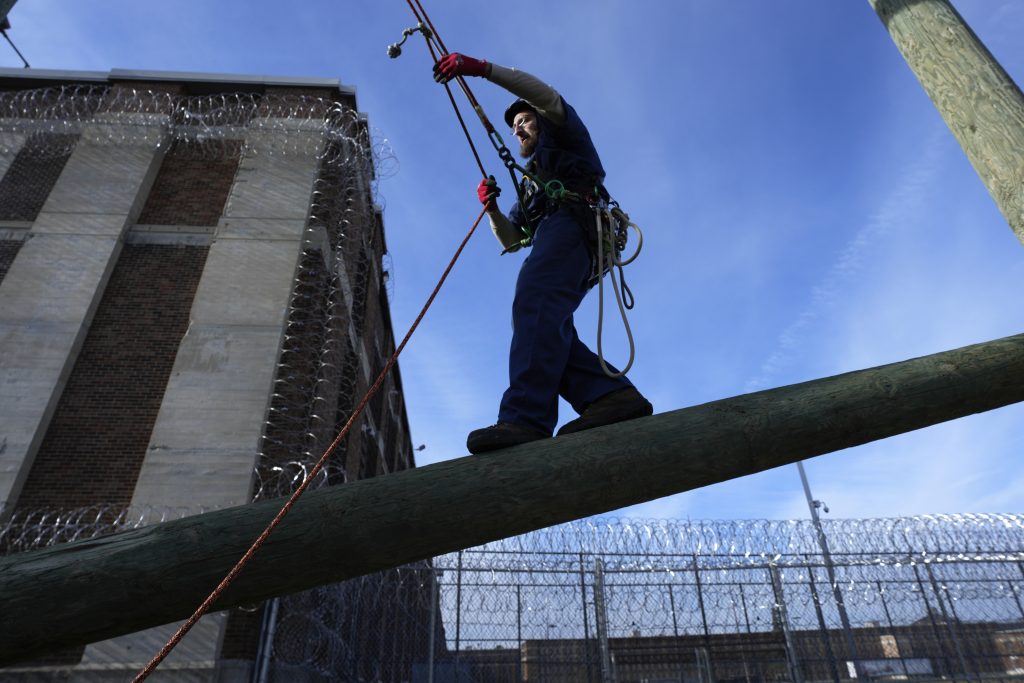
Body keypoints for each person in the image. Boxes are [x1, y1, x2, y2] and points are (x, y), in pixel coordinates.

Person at [434, 53, 653, 454]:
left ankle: (526, 418)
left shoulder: (566, 136)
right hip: (564, 231)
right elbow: (514, 240)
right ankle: (609, 396)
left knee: (535, 298)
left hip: (575, 221)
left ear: (540, 119)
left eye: (524, 121)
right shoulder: (533, 184)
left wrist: (480, 69)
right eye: (515, 127)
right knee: (546, 318)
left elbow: (542, 93)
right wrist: (493, 212)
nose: (518, 130)